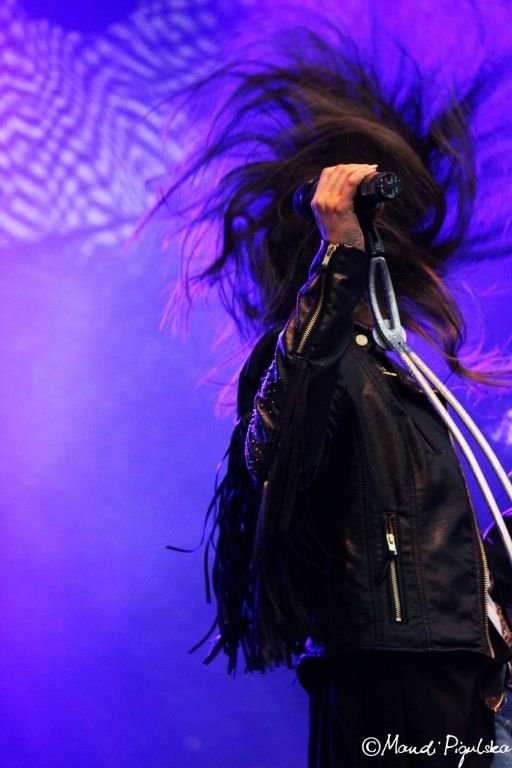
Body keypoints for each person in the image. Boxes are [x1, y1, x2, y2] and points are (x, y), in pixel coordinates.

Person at [165, 30, 512, 767]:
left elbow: (423, 552)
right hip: (392, 675)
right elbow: (275, 449)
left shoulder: (395, 371)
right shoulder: (304, 358)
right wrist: (340, 258)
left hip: (454, 670)